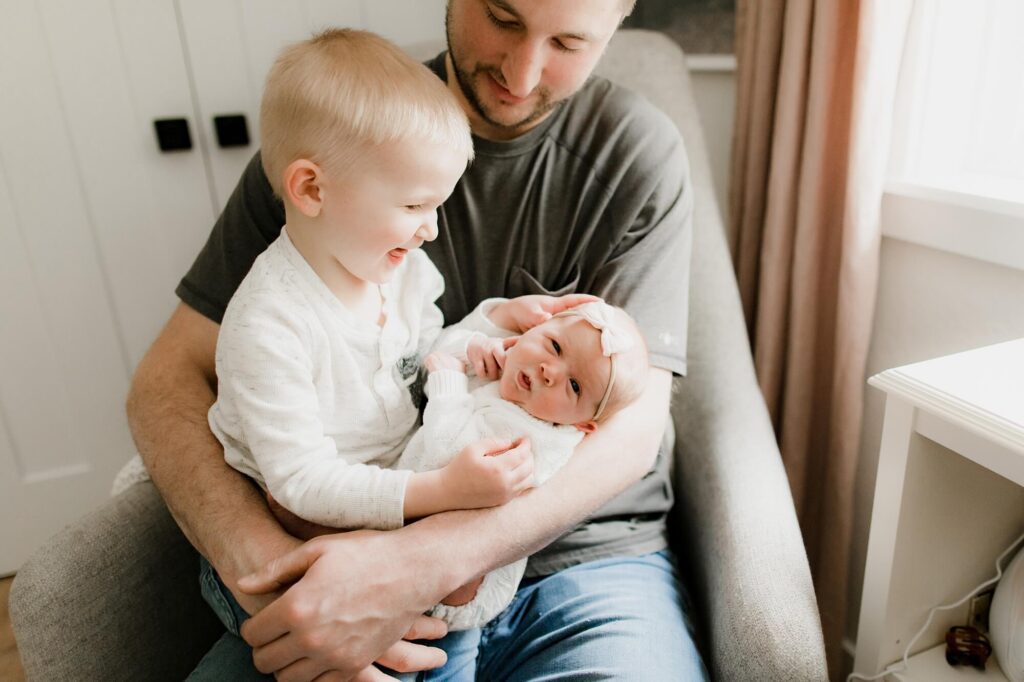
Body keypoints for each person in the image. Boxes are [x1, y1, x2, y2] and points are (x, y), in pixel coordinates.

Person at [126, 0, 707, 679]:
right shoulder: (339, 135)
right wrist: (270, 569)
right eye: (504, 18)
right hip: (342, 543)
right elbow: (164, 381)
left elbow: (635, 426)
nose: (522, 74)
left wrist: (422, 563)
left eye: (569, 42)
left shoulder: (634, 154)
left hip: (580, 561)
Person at [393, 299, 650, 679]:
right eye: (555, 346)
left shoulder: (533, 440)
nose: (550, 371)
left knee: (434, 666)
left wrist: (449, 382)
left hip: (450, 596)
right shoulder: (512, 377)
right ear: (530, 332)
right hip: (407, 555)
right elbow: (435, 351)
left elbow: (445, 451)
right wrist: (475, 343)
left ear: (582, 427)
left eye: (574, 385)